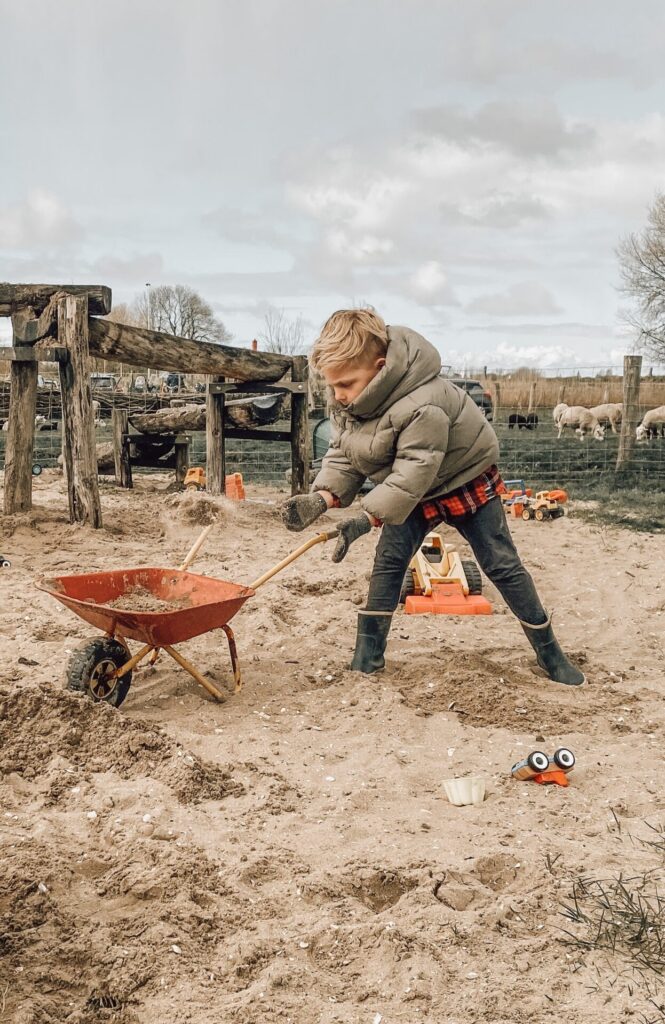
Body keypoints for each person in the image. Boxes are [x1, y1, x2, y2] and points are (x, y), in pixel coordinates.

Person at [281, 309, 584, 686]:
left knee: (501, 563)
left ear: (379, 368)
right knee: (389, 563)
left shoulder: (424, 404)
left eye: (345, 384)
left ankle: (550, 653)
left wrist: (365, 518)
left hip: (463, 479)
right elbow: (348, 452)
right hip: (410, 492)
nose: (338, 396)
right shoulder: (352, 403)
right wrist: (322, 498)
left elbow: (413, 472)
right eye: (332, 387)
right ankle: (367, 658)